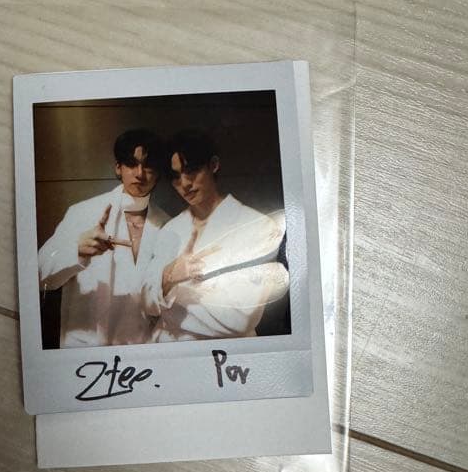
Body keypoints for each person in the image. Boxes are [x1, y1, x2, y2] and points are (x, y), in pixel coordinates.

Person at [142, 129, 288, 342]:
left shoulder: (257, 226)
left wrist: (167, 294)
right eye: (175, 177)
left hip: (224, 353)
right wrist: (170, 275)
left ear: (213, 165)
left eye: (191, 171)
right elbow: (145, 304)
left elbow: (239, 320)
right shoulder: (170, 229)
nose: (185, 184)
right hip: (167, 349)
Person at [38, 128, 169, 347]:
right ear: (118, 168)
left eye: (148, 165)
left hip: (142, 352)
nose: (140, 173)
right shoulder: (83, 213)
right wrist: (76, 250)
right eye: (131, 164)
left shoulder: (167, 225)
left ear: (158, 172)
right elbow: (39, 275)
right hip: (87, 349)